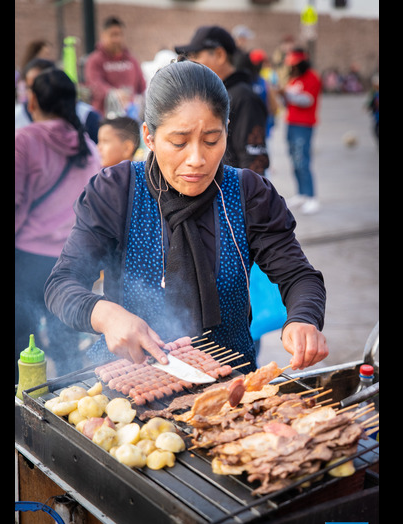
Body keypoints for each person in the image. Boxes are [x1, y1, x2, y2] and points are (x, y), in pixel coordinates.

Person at [44, 60, 329, 374]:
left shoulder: (249, 194)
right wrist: (106, 315)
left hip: (228, 385)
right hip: (130, 384)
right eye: (179, 143)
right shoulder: (116, 190)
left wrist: (302, 319)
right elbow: (62, 284)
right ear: (149, 137)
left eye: (211, 140)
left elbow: (299, 276)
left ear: (227, 131)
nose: (197, 160)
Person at [16, 68, 103, 382]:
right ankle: (69, 405)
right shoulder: (88, 146)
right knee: (66, 340)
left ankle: (22, 409)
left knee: (21, 341)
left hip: (28, 260)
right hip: (74, 260)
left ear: (34, 100)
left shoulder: (25, 140)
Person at [175, 25, 269, 176]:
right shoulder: (214, 94)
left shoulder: (244, 98)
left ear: (219, 55)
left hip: (231, 195)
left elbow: (254, 159)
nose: (191, 62)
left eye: (196, 55)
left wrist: (248, 197)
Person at [16, 58, 102, 143]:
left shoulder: (87, 116)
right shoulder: (19, 119)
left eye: (42, 86)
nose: (34, 93)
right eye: (30, 88)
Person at [280, 48, 322, 215]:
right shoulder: (293, 78)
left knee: (302, 160)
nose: (293, 67)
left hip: (304, 125)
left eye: (295, 64)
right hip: (291, 122)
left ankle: (312, 197)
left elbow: (307, 100)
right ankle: (302, 194)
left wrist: (288, 95)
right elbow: (287, 103)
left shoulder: (312, 77)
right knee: (294, 160)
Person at [84, 16, 147, 119]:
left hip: (131, 118)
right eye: (113, 35)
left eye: (120, 34)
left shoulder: (132, 60)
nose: (117, 39)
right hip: (104, 119)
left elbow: (142, 86)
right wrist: (114, 94)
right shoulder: (94, 60)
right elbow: (94, 84)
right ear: (103, 36)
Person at [367, 73, 379, 146]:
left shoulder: (376, 94)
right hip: (376, 116)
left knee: (376, 130)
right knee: (375, 131)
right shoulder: (375, 94)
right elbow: (372, 103)